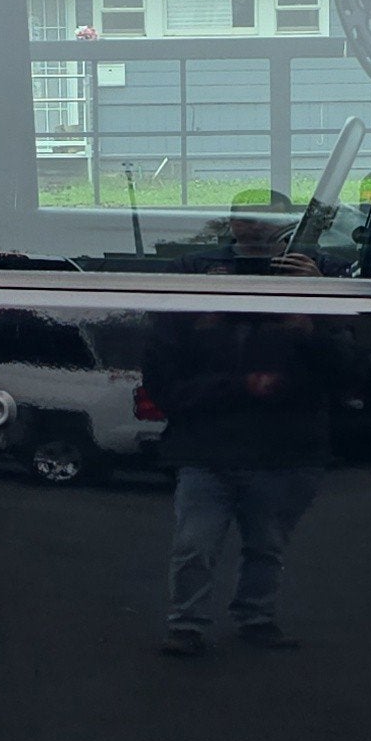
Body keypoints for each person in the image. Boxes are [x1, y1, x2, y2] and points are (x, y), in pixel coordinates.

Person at [141, 214, 344, 652]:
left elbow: (348, 373)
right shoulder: (193, 278)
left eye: (267, 225)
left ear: (288, 233)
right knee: (194, 545)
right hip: (206, 447)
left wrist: (316, 307)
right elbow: (163, 379)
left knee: (267, 545)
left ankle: (256, 618)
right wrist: (236, 377)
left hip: (285, 449)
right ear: (229, 227)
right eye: (244, 222)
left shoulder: (321, 277)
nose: (255, 232)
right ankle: (186, 625)